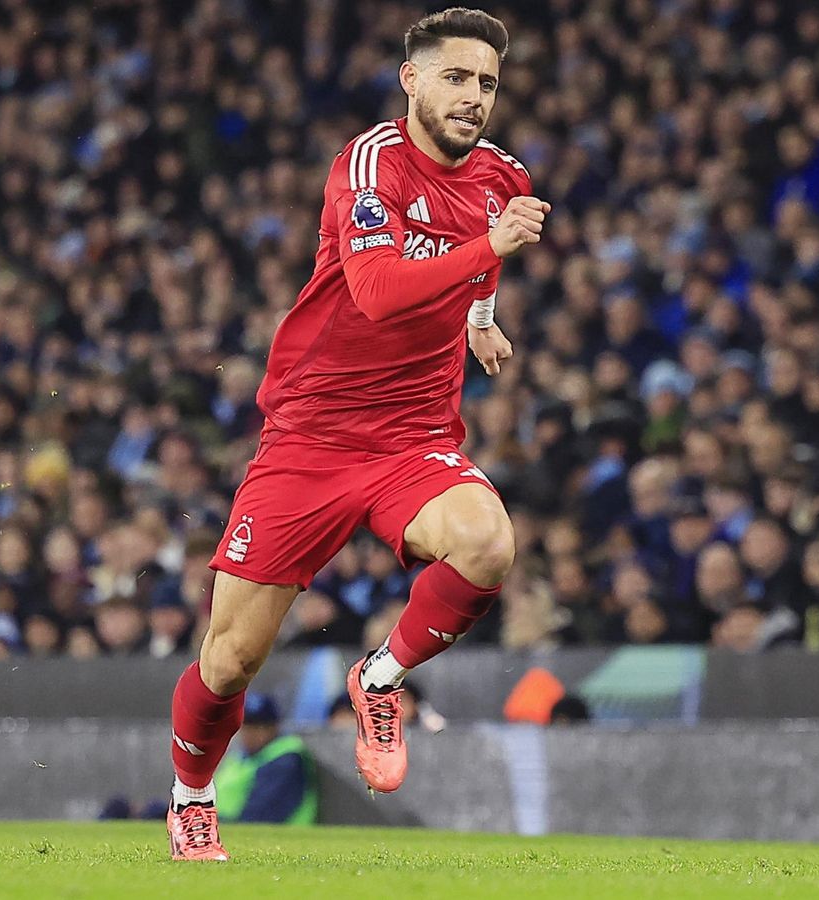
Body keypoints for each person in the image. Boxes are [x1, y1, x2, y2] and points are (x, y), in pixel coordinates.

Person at [165, 8, 548, 861]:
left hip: (411, 439)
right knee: (229, 662)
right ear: (411, 79)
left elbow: (483, 256)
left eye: (486, 82)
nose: (474, 96)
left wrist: (482, 316)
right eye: (455, 76)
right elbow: (376, 291)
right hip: (309, 437)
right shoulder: (369, 164)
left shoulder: (503, 177)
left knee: (489, 544)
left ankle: (379, 679)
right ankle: (192, 795)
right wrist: (489, 246)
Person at [213, 694, 316, 825]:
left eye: (259, 727)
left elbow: (259, 814)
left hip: (277, 838)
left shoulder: (286, 759)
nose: (251, 734)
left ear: (274, 727)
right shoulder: (239, 758)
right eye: (247, 726)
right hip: (228, 829)